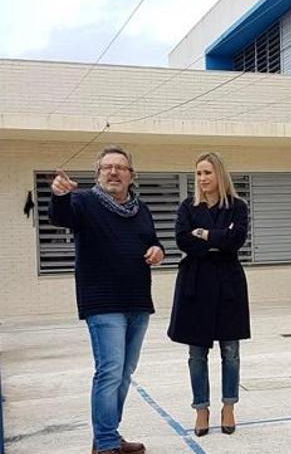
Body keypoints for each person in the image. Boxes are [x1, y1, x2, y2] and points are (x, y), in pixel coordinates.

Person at [49, 146, 164, 454]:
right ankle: (106, 443)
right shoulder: (83, 202)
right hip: (102, 302)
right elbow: (60, 216)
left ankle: (107, 435)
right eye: (107, 167)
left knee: (124, 373)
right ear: (97, 173)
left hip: (137, 301)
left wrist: (158, 251)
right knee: (110, 370)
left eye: (120, 168)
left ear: (131, 176)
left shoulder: (141, 209)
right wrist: (59, 194)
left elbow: (152, 241)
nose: (113, 172)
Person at [167, 152, 250, 436]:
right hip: (196, 284)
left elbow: (236, 239)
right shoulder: (187, 207)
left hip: (228, 284)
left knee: (231, 351)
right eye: (199, 173)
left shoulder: (238, 207)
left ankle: (229, 407)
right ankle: (201, 409)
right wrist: (217, 239)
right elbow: (181, 239)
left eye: (207, 173)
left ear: (220, 175)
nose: (202, 179)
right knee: (197, 353)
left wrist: (203, 235)